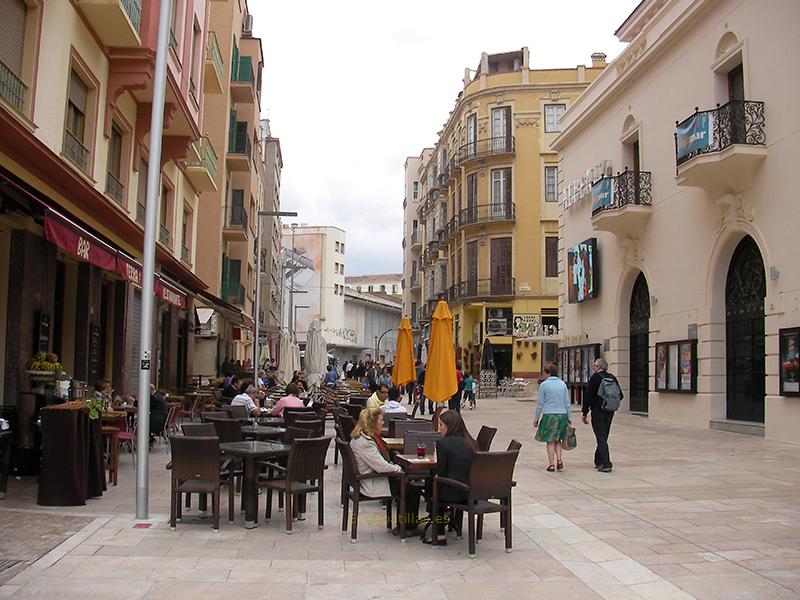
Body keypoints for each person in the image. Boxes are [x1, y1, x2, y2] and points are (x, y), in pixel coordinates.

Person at [349, 407, 421, 531]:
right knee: (411, 489)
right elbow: (382, 467)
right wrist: (398, 469)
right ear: (372, 423)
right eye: (381, 420)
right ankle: (407, 527)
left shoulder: (363, 437)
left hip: (371, 478)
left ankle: (404, 525)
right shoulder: (365, 442)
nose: (383, 423)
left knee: (405, 483)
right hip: (370, 483)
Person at [426, 410, 478, 545]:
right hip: (473, 492)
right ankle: (448, 518)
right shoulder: (471, 442)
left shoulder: (443, 443)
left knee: (433, 486)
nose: (438, 429)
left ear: (450, 426)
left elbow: (441, 472)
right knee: (435, 484)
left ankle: (440, 534)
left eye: (441, 425)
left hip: (455, 492)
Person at [583, 358, 620, 473]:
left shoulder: (595, 378)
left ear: (599, 367)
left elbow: (588, 396)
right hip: (610, 411)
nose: (593, 367)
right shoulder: (612, 377)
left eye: (594, 365)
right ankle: (598, 460)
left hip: (598, 411)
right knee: (603, 436)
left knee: (601, 437)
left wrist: (585, 412)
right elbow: (620, 395)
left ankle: (606, 463)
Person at [533, 363, 571, 472]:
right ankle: (559, 460)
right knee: (558, 439)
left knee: (550, 440)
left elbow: (540, 404)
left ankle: (551, 464)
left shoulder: (544, 385)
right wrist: (569, 417)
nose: (543, 374)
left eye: (544, 372)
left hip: (549, 415)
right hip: (562, 415)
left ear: (548, 372)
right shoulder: (562, 384)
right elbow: (567, 402)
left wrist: (536, 418)